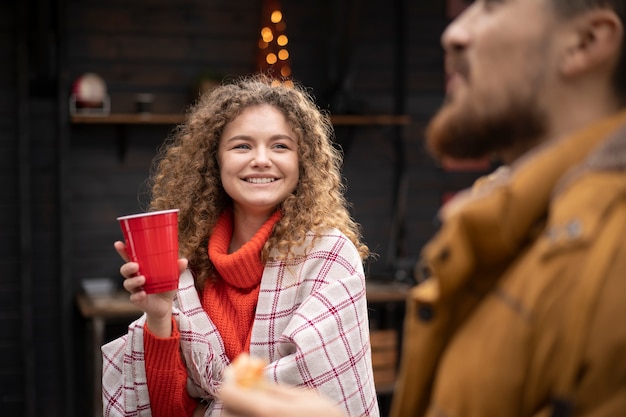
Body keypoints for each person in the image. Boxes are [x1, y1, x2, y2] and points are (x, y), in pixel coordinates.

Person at [219, 0, 626, 416]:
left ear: (585, 41)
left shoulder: (613, 255)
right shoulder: (504, 225)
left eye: (491, 6)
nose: (453, 33)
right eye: (241, 145)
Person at [101, 74, 380, 417]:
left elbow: (317, 397)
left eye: (280, 146)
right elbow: (166, 409)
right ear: (215, 160)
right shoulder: (187, 262)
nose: (261, 159)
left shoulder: (330, 258)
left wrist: (207, 410)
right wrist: (159, 316)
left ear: (301, 161)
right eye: (242, 146)